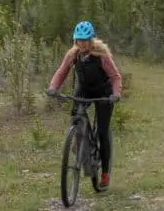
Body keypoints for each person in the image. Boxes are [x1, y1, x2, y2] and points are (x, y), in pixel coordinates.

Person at [46, 20, 122, 190]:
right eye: (78, 40)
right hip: (84, 90)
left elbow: (115, 77)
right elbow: (61, 71)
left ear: (91, 40)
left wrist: (115, 94)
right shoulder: (73, 54)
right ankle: (78, 141)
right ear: (75, 40)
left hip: (104, 93)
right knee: (75, 117)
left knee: (102, 132)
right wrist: (53, 87)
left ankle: (104, 173)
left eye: (85, 40)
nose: (81, 43)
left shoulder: (102, 55)